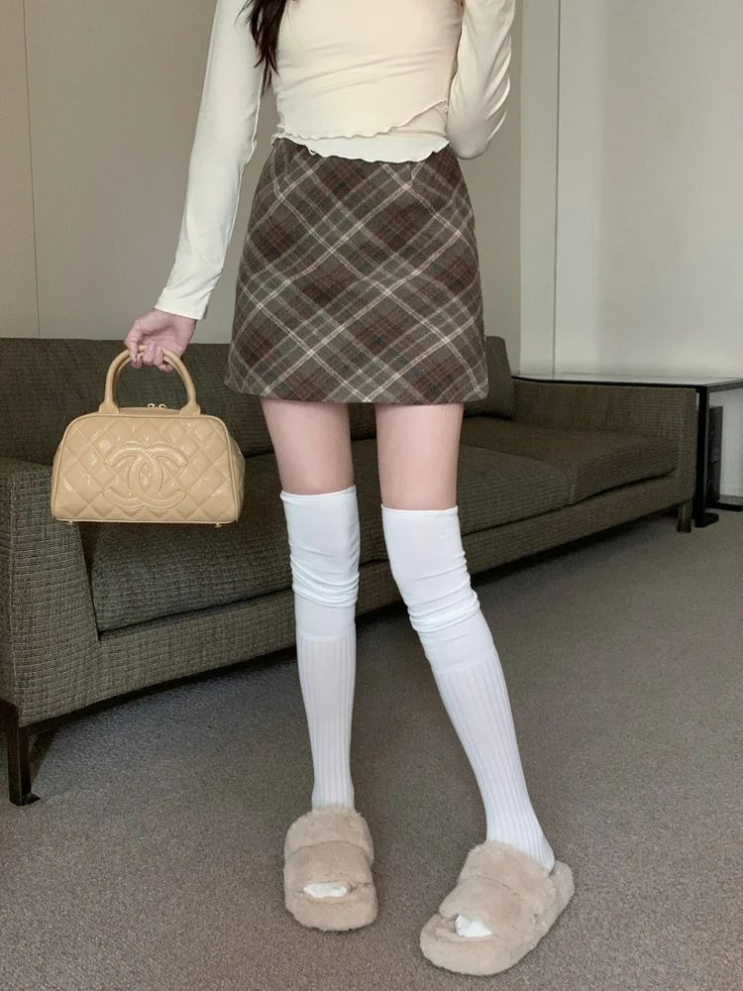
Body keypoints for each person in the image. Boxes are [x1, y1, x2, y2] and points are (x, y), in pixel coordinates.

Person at [124, 0, 574, 976]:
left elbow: (469, 129)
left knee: (426, 559)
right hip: (296, 231)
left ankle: (523, 842)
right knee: (321, 556)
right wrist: (183, 295)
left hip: (422, 222)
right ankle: (330, 805)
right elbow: (224, 127)